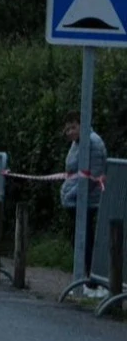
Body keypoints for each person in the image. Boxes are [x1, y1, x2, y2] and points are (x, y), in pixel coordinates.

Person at [60, 111, 107, 283]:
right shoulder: (77, 143)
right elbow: (72, 169)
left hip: (86, 200)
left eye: (73, 127)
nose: (70, 132)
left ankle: (90, 278)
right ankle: (83, 275)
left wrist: (72, 194)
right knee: (78, 238)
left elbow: (92, 176)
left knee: (85, 240)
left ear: (82, 125)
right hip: (73, 198)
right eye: (67, 129)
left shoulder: (92, 142)